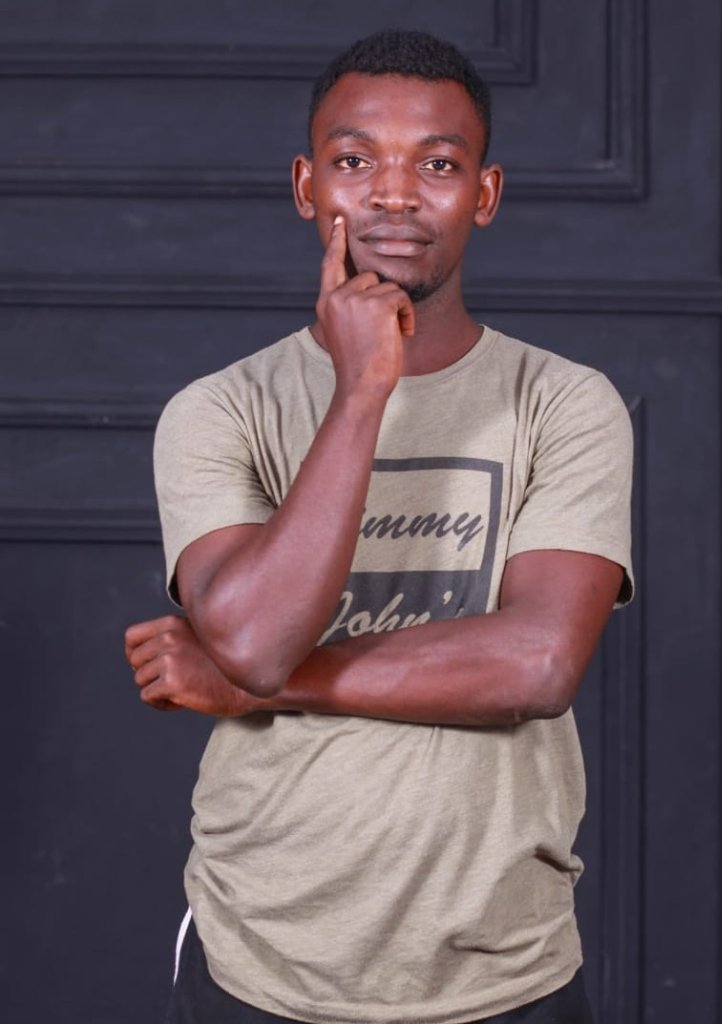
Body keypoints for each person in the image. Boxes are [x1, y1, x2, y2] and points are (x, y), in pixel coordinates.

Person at [125, 28, 633, 1024]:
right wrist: (362, 390)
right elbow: (255, 635)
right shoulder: (218, 410)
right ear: (306, 185)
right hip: (263, 960)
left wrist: (255, 684)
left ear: (483, 194)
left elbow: (535, 664)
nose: (394, 195)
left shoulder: (564, 403)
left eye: (436, 165)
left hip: (502, 969)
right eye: (355, 161)